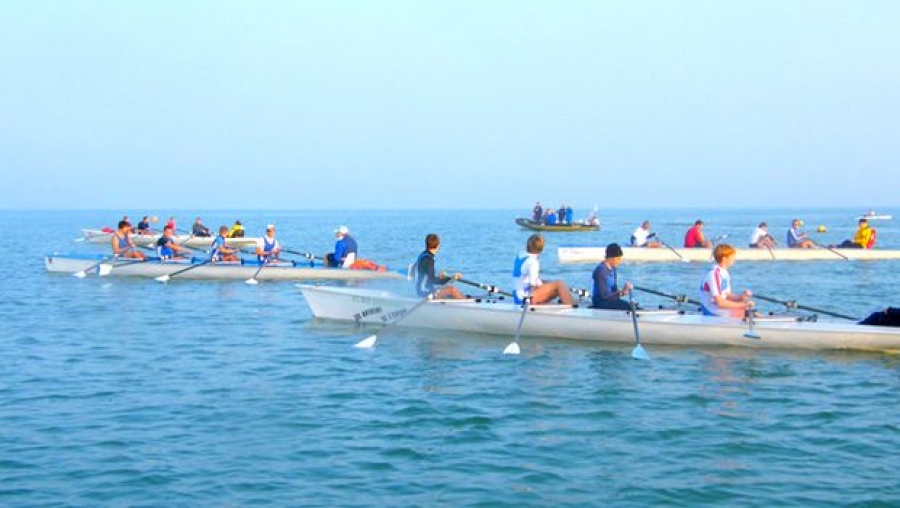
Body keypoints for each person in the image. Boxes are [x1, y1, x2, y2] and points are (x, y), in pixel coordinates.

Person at [512, 234, 574, 305]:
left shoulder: (521, 255)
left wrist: (545, 284)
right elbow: (533, 285)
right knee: (559, 284)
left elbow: (527, 279)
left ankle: (565, 302)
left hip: (517, 296)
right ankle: (572, 307)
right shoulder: (533, 262)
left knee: (552, 285)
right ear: (541, 249)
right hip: (525, 299)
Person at [699, 244, 755, 318]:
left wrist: (741, 297)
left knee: (747, 309)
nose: (734, 259)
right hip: (710, 309)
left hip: (718, 307)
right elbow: (720, 303)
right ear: (724, 258)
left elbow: (727, 295)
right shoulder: (714, 274)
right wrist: (743, 305)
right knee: (742, 310)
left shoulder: (724, 272)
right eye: (732, 256)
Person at [414, 234, 464, 299]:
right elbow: (433, 281)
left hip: (422, 289)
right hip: (425, 291)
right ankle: (469, 305)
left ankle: (463, 299)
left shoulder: (423, 254)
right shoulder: (428, 259)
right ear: (438, 245)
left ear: (426, 244)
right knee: (452, 290)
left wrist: (440, 277)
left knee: (449, 293)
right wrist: (452, 278)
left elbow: (426, 276)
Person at [591, 243, 633, 310]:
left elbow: (614, 292)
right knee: (630, 307)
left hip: (609, 301)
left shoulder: (613, 269)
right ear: (611, 258)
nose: (620, 262)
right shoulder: (600, 271)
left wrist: (624, 291)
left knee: (632, 305)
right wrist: (621, 292)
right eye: (618, 259)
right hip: (600, 302)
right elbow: (604, 296)